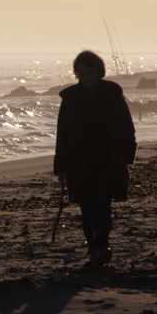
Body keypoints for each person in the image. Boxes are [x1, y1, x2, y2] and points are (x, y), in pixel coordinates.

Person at [54, 50, 137, 269]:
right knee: (86, 210)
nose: (85, 76)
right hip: (80, 163)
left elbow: (127, 127)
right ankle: (93, 248)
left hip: (108, 161)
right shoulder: (70, 98)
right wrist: (61, 167)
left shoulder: (112, 94)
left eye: (89, 72)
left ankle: (101, 246)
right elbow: (63, 134)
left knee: (103, 206)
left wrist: (126, 154)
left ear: (99, 72)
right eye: (81, 72)